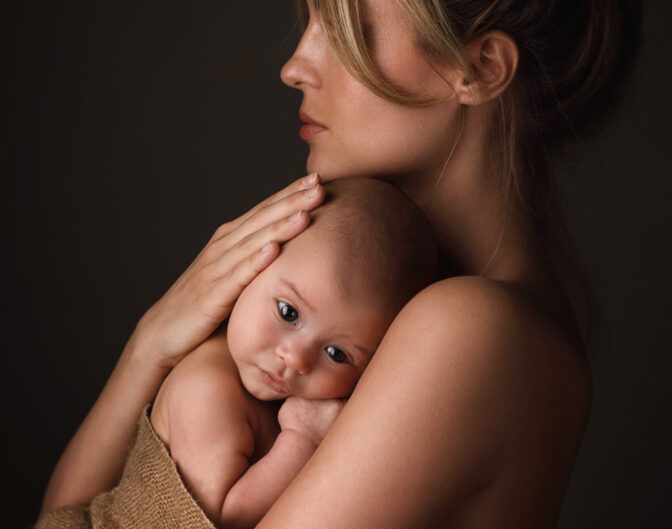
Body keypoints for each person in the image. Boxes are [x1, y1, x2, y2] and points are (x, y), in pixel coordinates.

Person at [38, 0, 640, 527]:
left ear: (478, 69)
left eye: (348, 27)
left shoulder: (474, 330)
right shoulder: (413, 302)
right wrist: (152, 343)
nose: (295, 65)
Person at [37, 177, 438, 529]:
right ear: (249, 271)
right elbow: (222, 514)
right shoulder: (207, 388)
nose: (295, 358)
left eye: (337, 353)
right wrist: (302, 440)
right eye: (288, 312)